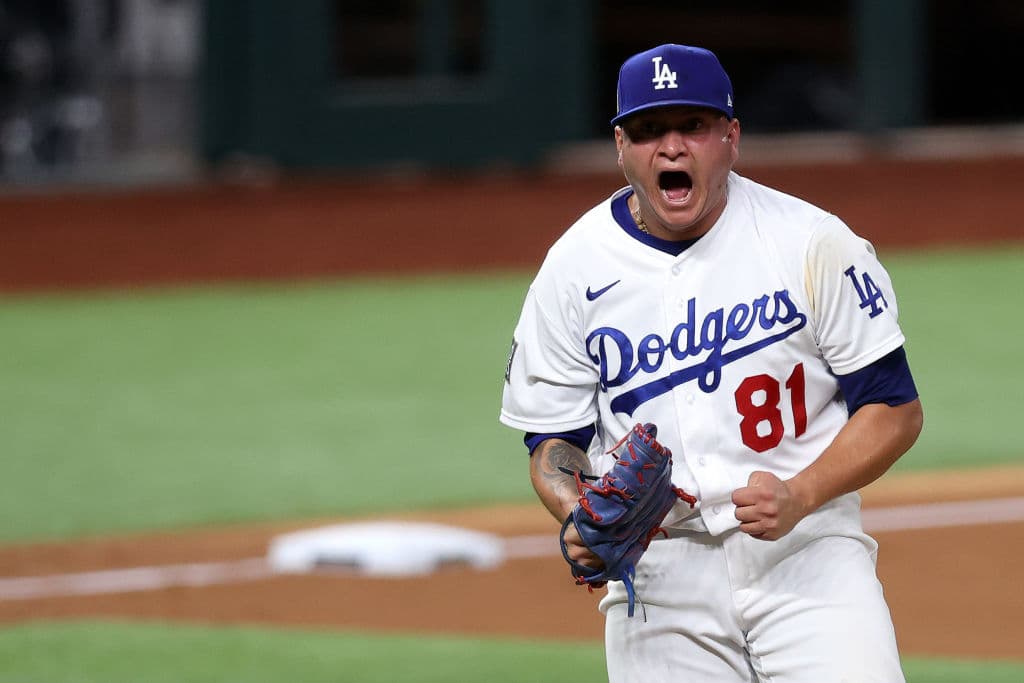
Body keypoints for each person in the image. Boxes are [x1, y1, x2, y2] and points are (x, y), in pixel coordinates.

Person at [499, 44, 923, 682]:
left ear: (731, 136)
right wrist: (578, 515)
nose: (671, 148)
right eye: (647, 130)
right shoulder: (572, 268)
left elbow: (894, 407)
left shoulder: (810, 242)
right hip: (660, 578)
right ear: (620, 146)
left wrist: (801, 492)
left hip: (807, 557)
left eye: (692, 126)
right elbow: (552, 437)